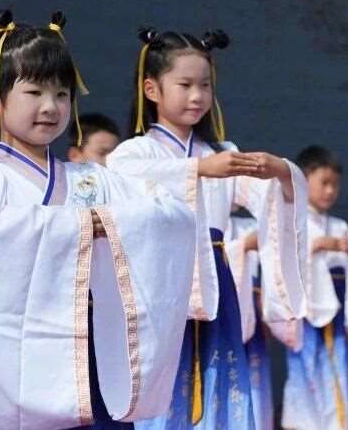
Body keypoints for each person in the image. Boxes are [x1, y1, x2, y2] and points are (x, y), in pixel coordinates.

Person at [0, 9, 198, 428]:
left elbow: (172, 214)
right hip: (20, 370)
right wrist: (85, 227)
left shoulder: (94, 179)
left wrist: (111, 226)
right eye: (35, 92)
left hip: (95, 356)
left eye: (62, 94)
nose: (51, 106)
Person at [106, 26, 308, 429]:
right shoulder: (136, 151)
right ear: (151, 89)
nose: (197, 96)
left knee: (219, 382)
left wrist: (282, 172)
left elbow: (269, 194)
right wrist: (198, 170)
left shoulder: (222, 153)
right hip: (161, 285)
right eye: (184, 84)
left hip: (217, 279)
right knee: (163, 382)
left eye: (205, 85)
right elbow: (123, 176)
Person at [279, 145, 348, 430]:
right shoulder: (293, 221)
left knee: (336, 376)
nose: (330, 191)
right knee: (305, 376)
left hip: (337, 314)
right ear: (304, 182)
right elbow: (283, 258)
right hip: (307, 315)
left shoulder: (340, 225)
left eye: (335, 185)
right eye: (324, 183)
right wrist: (317, 246)